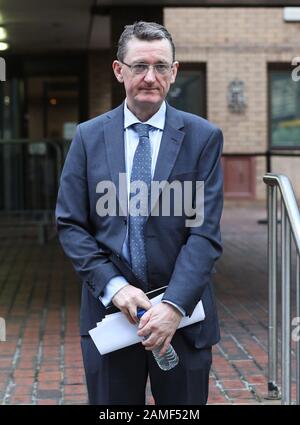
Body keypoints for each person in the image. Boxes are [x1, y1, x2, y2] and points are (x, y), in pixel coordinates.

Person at [55, 21, 223, 405]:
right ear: (119, 70)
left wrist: (173, 307)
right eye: (139, 66)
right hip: (111, 317)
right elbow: (71, 223)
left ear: (174, 72)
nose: (151, 77)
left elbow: (205, 233)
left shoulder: (203, 137)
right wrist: (116, 288)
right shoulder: (88, 137)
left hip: (183, 319)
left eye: (161, 66)